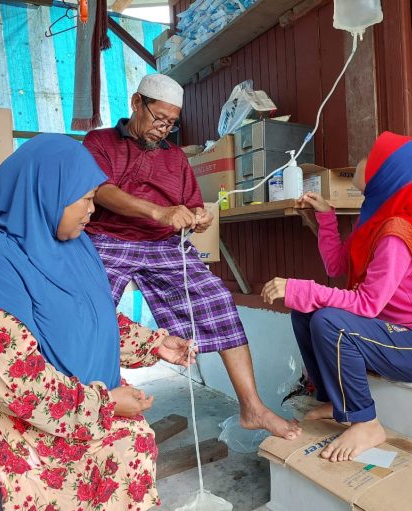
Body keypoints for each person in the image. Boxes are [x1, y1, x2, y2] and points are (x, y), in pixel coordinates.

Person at [0, 134, 195, 510]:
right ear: (47, 193)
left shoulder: (77, 247)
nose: (92, 210)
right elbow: (12, 380)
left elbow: (90, 318)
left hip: (85, 409)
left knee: (133, 448)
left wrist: (153, 343)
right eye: (85, 198)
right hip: (16, 422)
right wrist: (106, 404)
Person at [82, 73, 300, 440]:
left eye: (171, 123)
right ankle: (96, 406)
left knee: (218, 300)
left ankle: (253, 408)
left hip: (164, 245)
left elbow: (193, 203)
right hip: (109, 238)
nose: (164, 129)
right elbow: (100, 191)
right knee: (88, 311)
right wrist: (157, 212)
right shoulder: (99, 141)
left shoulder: (175, 157)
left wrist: (199, 217)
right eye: (158, 119)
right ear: (137, 103)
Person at [261, 131, 412, 462]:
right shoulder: (375, 221)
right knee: (305, 314)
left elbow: (367, 304)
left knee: (328, 319)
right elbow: (336, 264)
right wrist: (326, 217)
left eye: (371, 156)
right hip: (389, 334)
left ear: (386, 174)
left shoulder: (396, 234)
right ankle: (335, 402)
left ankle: (366, 422)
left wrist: (298, 288)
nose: (361, 161)